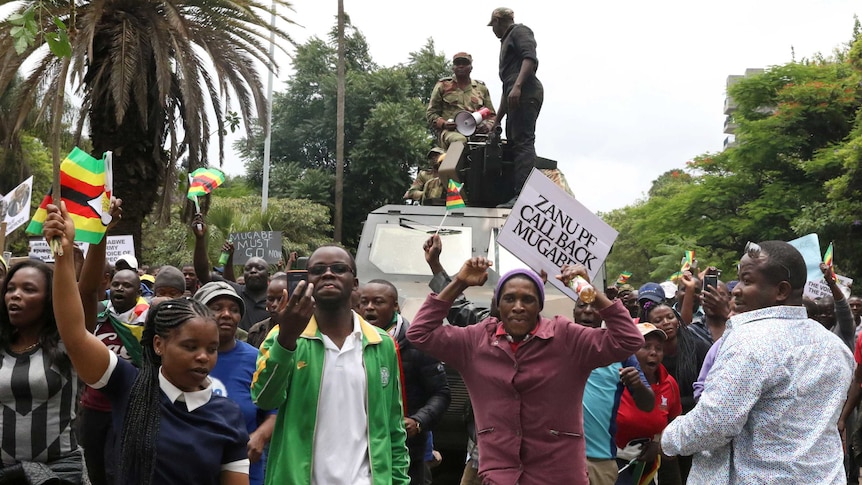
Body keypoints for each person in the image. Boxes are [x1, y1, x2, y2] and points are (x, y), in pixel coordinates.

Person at [44, 202, 250, 485]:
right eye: (190, 347)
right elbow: (75, 335)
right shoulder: (128, 387)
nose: (203, 357)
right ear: (158, 344)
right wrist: (64, 254)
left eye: (211, 349)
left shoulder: (228, 415)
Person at [407, 258, 643, 484]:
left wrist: (589, 290)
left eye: (528, 299)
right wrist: (459, 281)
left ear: (540, 305)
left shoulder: (567, 338)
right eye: (509, 298)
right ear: (498, 305)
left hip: (559, 476)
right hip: (499, 476)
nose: (518, 307)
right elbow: (419, 333)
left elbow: (629, 340)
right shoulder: (475, 341)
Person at [662, 240, 854, 484]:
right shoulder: (835, 346)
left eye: (747, 281)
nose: (736, 290)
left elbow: (716, 423)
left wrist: (668, 439)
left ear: (781, 291)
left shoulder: (749, 341)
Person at [251, 245, 409, 484]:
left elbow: (393, 427)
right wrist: (287, 340)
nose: (328, 274)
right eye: (317, 270)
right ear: (307, 280)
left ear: (355, 284)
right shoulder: (282, 335)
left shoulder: (382, 343)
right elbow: (264, 399)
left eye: (338, 268)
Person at [0, 260, 84, 484]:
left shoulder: (69, 344)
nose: (15, 295)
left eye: (28, 289)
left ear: (49, 299)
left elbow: (89, 290)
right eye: (10, 289)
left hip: (58, 472)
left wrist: (98, 238)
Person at [360, 279, 451, 485]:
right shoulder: (351, 340)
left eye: (378, 302)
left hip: (408, 449)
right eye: (363, 302)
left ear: (395, 306)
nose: (369, 308)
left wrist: (418, 421)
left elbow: (441, 392)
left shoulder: (415, 342)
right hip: (361, 446)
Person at [194, 282, 276, 485]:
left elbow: (275, 409)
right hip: (193, 467)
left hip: (245, 470)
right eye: (217, 308)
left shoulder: (256, 358)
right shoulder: (184, 357)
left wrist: (260, 436)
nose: (227, 314)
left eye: (234, 309)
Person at [575, 297, 654, 485]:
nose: (587, 311)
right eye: (581, 305)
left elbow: (648, 403)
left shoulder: (620, 351)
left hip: (599, 463)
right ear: (574, 311)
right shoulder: (558, 344)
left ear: (602, 313)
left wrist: (637, 384)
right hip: (559, 458)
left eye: (593, 306)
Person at [487, 7, 543, 208]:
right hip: (515, 94)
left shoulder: (520, 31)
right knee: (514, 143)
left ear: (498, 20)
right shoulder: (506, 41)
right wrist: (497, 119)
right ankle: (515, 193)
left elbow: (530, 58)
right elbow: (506, 87)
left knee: (523, 142)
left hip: (526, 91)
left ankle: (523, 196)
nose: (493, 30)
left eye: (492, 25)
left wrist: (518, 86)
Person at [615, 324, 681, 485]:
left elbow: (674, 423)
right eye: (645, 346)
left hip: (647, 467)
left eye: (658, 348)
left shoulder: (670, 384)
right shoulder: (613, 377)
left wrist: (658, 444)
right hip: (612, 463)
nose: (653, 353)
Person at [192, 214, 270, 331]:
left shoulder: (275, 299)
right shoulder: (235, 292)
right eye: (248, 269)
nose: (253, 271)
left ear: (268, 275)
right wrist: (200, 239)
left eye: (259, 268)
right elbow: (203, 273)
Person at [426, 52, 496, 149]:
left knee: (495, 145)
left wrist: (488, 126)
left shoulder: (481, 88)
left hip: (477, 133)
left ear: (471, 67)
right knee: (459, 141)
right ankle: (451, 164)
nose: (461, 66)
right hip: (450, 132)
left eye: (465, 63)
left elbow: (491, 115)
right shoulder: (443, 86)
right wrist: (444, 124)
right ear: (453, 67)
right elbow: (431, 113)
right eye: (457, 64)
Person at [246, 275, 287, 348]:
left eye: (281, 299)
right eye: (270, 299)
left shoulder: (304, 330)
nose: (274, 304)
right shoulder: (256, 331)